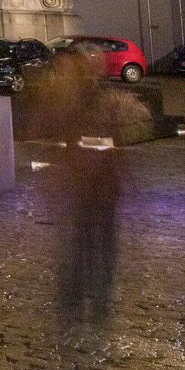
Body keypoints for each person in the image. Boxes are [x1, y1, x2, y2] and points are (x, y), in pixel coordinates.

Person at [53, 51, 125, 343]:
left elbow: (105, 142)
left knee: (97, 241)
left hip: (99, 185)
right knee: (82, 240)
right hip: (83, 185)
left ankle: (95, 295)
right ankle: (77, 294)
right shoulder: (72, 101)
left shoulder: (94, 100)